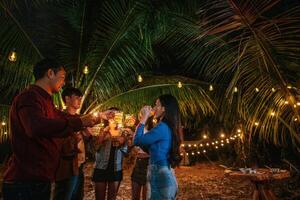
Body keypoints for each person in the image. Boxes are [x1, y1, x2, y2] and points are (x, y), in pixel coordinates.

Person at [2, 58, 113, 200]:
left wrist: (97, 117)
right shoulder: (29, 97)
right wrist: (80, 122)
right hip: (25, 181)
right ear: (50, 73)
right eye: (62, 77)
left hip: (40, 178)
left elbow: (64, 117)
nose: (63, 82)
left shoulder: (47, 102)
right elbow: (35, 126)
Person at [133, 94, 182, 200]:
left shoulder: (162, 127)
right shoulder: (167, 126)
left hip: (160, 174)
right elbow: (150, 147)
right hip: (163, 172)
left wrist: (143, 118)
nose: (154, 108)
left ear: (164, 109)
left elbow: (136, 140)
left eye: (157, 105)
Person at [54, 87, 89, 200]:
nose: (79, 100)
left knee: (77, 196)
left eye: (80, 98)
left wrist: (87, 135)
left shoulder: (81, 119)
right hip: (67, 166)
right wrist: (77, 138)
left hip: (80, 164)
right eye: (77, 97)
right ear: (67, 99)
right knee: (64, 195)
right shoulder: (60, 118)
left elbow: (86, 140)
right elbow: (60, 142)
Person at [92, 108, 128, 200]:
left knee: (112, 198)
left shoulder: (122, 130)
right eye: (111, 113)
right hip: (100, 167)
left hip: (116, 168)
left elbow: (126, 151)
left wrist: (122, 142)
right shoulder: (100, 128)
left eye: (116, 114)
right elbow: (94, 148)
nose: (113, 116)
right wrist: (103, 136)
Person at [131, 116, 154, 200]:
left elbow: (154, 150)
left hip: (148, 164)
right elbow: (133, 148)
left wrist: (145, 154)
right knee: (134, 196)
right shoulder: (137, 130)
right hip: (138, 163)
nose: (141, 116)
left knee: (146, 196)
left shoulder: (153, 131)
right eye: (140, 114)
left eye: (143, 114)